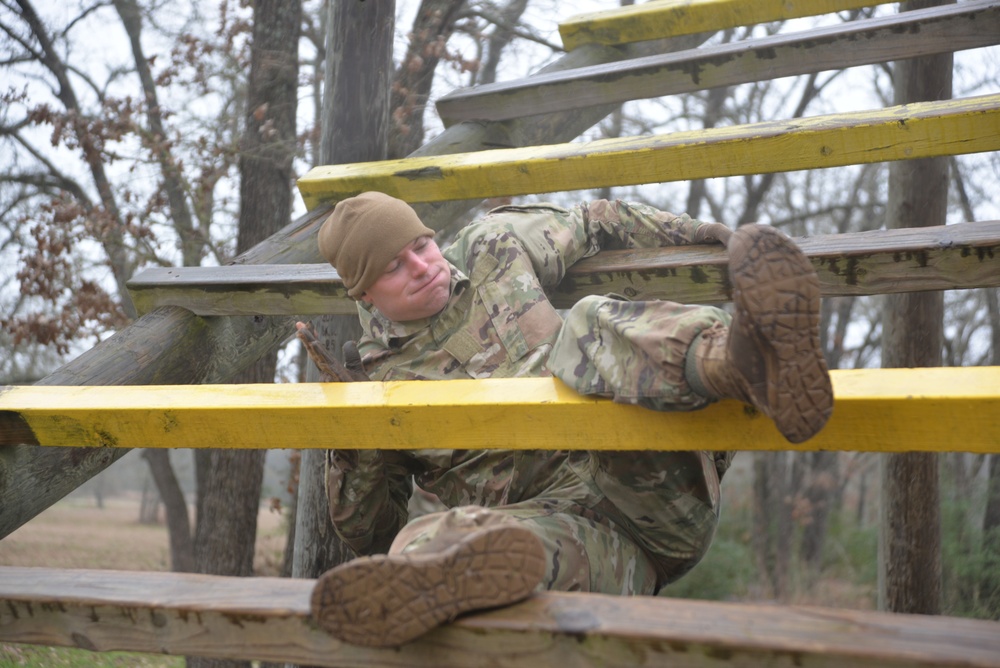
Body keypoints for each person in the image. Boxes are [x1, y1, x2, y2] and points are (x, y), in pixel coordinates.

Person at [304, 191, 832, 648]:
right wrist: (354, 431)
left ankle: (743, 360)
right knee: (419, 547)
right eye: (394, 267)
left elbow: (599, 219)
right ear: (364, 293)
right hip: (587, 542)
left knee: (583, 325)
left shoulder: (494, 246)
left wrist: (711, 233)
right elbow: (369, 530)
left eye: (420, 246)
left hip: (656, 476)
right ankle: (435, 602)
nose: (422, 266)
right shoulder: (376, 379)